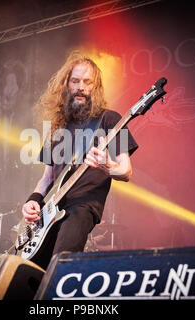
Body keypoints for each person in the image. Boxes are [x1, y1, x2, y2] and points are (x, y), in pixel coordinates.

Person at [21, 51, 138, 269]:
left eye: (87, 82)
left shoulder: (110, 119)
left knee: (60, 264)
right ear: (66, 85)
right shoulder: (56, 127)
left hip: (83, 206)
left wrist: (108, 167)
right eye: (75, 81)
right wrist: (33, 201)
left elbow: (126, 171)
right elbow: (47, 178)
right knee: (30, 270)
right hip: (49, 213)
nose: (81, 87)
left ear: (95, 87)